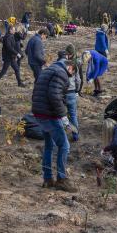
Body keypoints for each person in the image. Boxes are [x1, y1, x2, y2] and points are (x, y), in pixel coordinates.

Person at [31, 59, 78, 192]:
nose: (70, 77)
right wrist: (63, 116)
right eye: (72, 74)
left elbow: (38, 91)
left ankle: (47, 179)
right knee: (64, 145)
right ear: (70, 68)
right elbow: (54, 95)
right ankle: (61, 179)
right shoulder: (61, 73)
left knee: (49, 146)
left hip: (39, 112)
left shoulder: (48, 70)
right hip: (49, 115)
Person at [59, 45, 82, 141]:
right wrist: (77, 90)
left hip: (62, 93)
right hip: (72, 93)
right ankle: (75, 136)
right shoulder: (74, 65)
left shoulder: (59, 65)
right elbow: (78, 80)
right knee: (73, 115)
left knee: (61, 115)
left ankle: (62, 137)